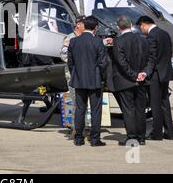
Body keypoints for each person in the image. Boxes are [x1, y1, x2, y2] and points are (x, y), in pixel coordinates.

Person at [112, 16, 154, 146]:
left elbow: (121, 62)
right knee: (140, 109)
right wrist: (144, 73)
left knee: (128, 110)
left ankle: (132, 137)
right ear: (131, 25)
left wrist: (133, 75)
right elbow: (151, 59)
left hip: (126, 81)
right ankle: (141, 137)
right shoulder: (143, 39)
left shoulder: (118, 42)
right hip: (141, 80)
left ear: (118, 28)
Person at [67, 16, 107, 147]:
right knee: (96, 110)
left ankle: (79, 138)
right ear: (95, 28)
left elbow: (70, 63)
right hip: (95, 80)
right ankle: (95, 139)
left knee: (80, 109)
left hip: (79, 80)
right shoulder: (98, 42)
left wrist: (77, 74)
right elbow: (102, 63)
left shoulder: (73, 42)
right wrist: (103, 78)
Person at [137, 16, 173, 140]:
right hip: (165, 72)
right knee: (164, 102)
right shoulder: (165, 34)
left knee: (155, 104)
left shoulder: (151, 36)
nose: (140, 30)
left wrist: (145, 72)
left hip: (155, 74)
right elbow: (168, 53)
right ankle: (169, 133)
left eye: (140, 27)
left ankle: (157, 134)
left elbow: (152, 57)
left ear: (143, 24)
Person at [59, 16, 85, 139]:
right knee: (76, 102)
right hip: (73, 74)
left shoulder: (87, 37)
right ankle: (76, 129)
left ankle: (83, 127)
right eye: (85, 24)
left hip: (85, 74)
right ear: (78, 25)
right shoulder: (69, 38)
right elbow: (63, 55)